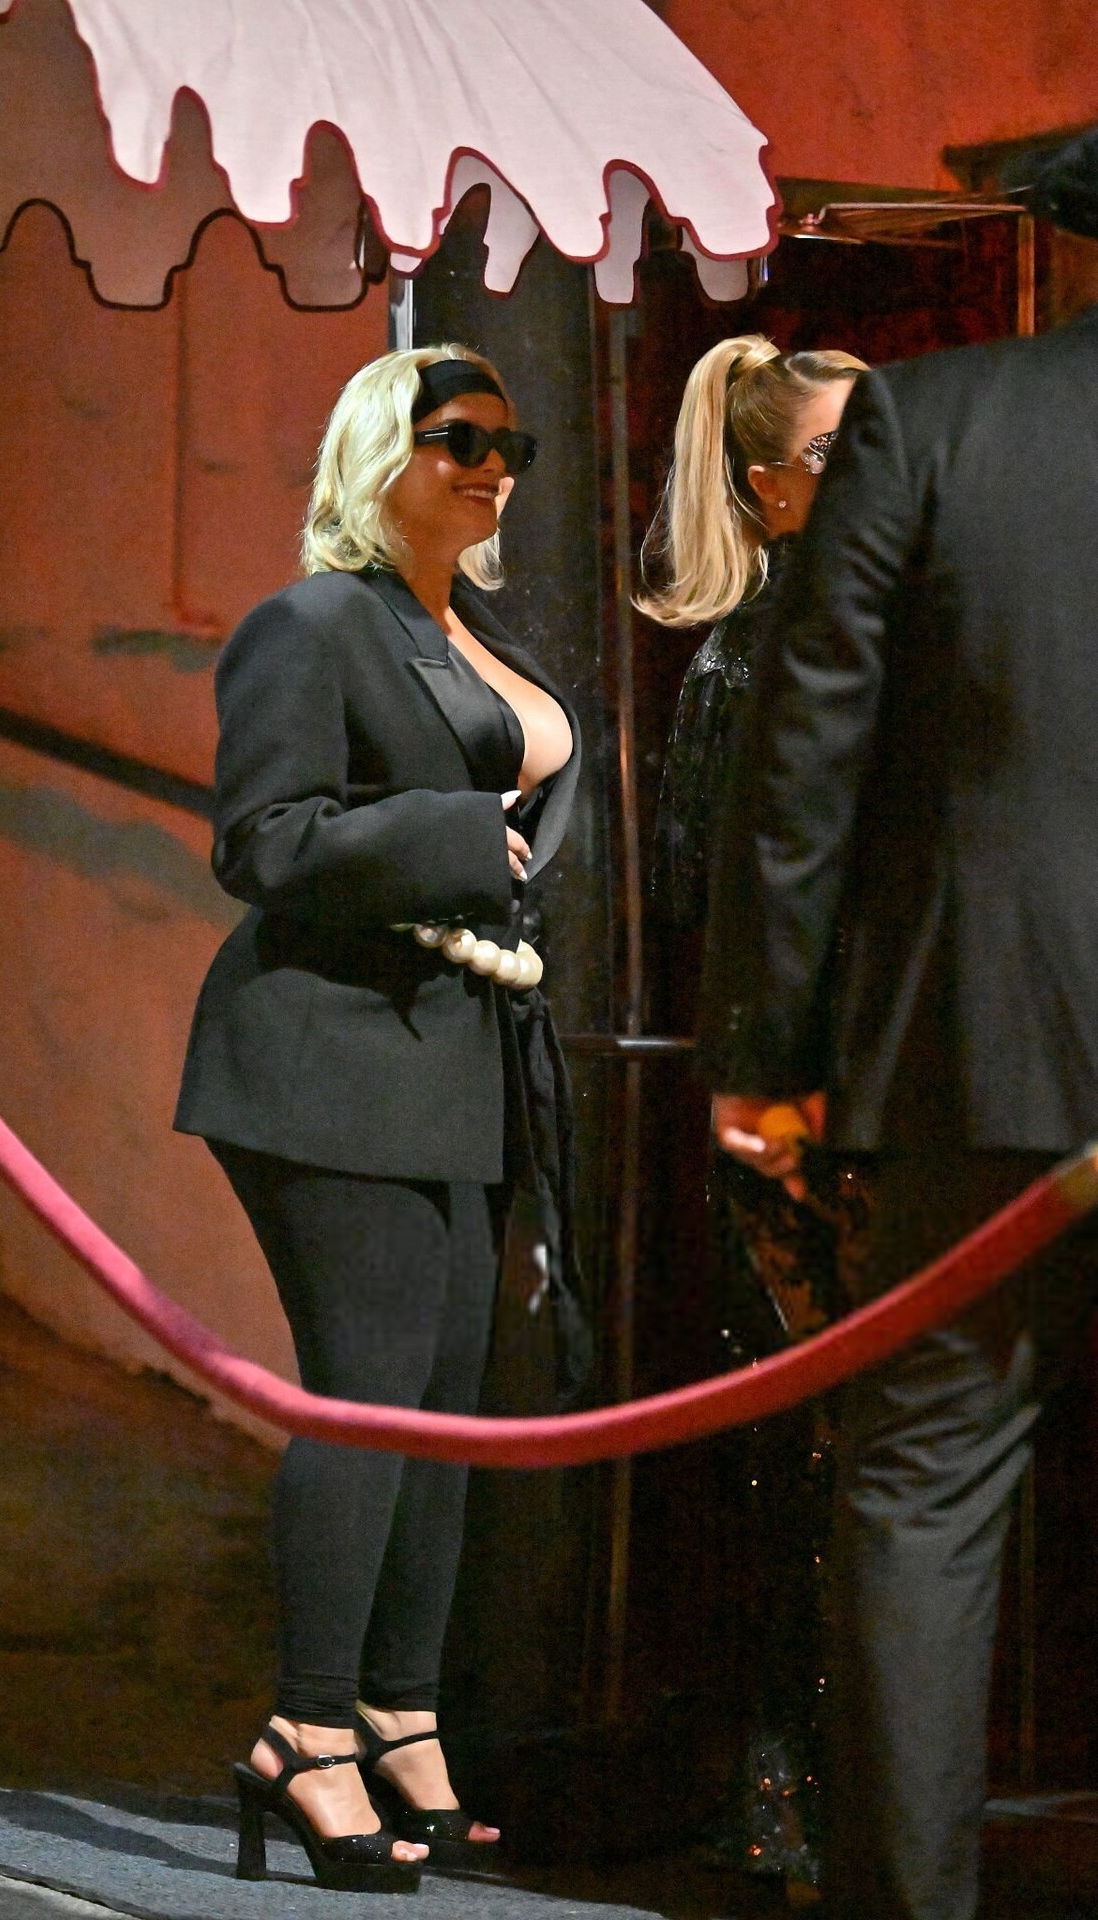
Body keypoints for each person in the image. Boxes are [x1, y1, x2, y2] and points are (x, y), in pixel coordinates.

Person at [697, 129, 1098, 1920]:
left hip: (989, 1046)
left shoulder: (930, 421)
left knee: (925, 1495)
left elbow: (806, 768)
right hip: (988, 1053)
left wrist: (765, 1060)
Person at [175, 344, 580, 1894]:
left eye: (511, 447)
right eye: (460, 439)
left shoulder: (469, 631)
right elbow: (263, 841)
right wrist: (457, 835)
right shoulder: (315, 623)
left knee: (444, 1405)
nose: (493, 470)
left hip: (456, 1057)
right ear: (378, 449)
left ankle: (401, 1713)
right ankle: (305, 1728)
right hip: (328, 1050)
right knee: (368, 1395)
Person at [642, 335, 868, 1884]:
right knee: (804, 1451)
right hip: (789, 1108)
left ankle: (820, 1788)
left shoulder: (857, 628)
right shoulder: (758, 652)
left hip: (846, 1094)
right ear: (769, 486)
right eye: (837, 456)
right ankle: (785, 1790)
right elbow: (699, 896)